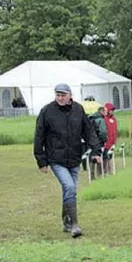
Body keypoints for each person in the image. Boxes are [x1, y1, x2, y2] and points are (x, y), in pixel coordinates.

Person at [34, 83, 102, 238]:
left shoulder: (78, 110)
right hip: (56, 158)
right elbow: (39, 136)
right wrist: (41, 160)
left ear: (70, 95)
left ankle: (66, 222)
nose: (60, 98)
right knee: (70, 187)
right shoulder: (47, 111)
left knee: (69, 190)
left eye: (63, 95)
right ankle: (75, 225)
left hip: (74, 157)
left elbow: (88, 131)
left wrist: (96, 151)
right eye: (58, 95)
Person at [88, 105, 109, 179]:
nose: (107, 112)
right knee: (100, 156)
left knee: (91, 157)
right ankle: (101, 174)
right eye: (105, 111)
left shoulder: (90, 118)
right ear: (101, 111)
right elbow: (103, 132)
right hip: (98, 141)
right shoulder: (101, 120)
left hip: (90, 141)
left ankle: (91, 175)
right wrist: (105, 140)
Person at [102, 103, 118, 175]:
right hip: (106, 141)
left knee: (110, 156)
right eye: (111, 110)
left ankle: (110, 170)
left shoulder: (114, 119)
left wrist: (114, 142)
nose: (112, 112)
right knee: (105, 156)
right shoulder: (104, 119)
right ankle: (105, 170)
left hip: (112, 141)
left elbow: (115, 130)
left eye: (113, 110)